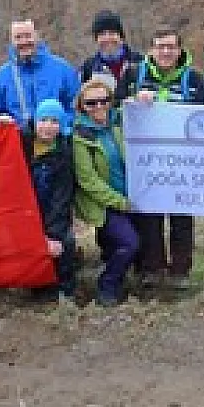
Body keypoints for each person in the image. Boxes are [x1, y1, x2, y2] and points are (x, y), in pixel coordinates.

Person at [116, 26, 204, 289]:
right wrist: (133, 99)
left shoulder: (195, 79)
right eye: (160, 47)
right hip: (148, 160)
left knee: (181, 216)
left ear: (180, 50)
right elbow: (115, 107)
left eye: (171, 47)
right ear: (151, 50)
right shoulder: (134, 75)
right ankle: (152, 269)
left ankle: (181, 271)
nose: (165, 52)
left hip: (183, 160)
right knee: (149, 217)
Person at [71, 78, 140, 306]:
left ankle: (119, 278)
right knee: (129, 243)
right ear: (82, 106)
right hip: (104, 203)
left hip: (133, 196)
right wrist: (119, 201)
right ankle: (106, 285)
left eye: (104, 100)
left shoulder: (121, 123)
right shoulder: (80, 136)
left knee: (122, 247)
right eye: (91, 103)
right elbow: (88, 180)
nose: (99, 107)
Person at [25, 98, 77, 303]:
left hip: (52, 213)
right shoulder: (20, 143)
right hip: (25, 212)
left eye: (54, 121)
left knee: (64, 243)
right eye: (43, 120)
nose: (48, 126)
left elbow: (62, 198)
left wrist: (52, 234)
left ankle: (65, 290)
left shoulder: (64, 152)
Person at [0, 20, 80, 133]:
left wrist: (59, 127)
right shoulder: (0, 77)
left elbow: (76, 107)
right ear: (11, 41)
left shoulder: (63, 69)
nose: (24, 41)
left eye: (28, 36)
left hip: (57, 143)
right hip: (18, 143)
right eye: (18, 37)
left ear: (37, 36)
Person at [80, 10, 144, 87]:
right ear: (96, 40)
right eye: (102, 34)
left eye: (112, 33)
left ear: (121, 37)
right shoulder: (89, 67)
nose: (107, 38)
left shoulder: (139, 62)